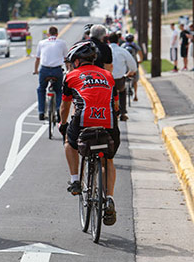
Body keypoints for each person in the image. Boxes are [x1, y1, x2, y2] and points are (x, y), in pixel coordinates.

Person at [59, 41, 120, 226]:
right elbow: (116, 105)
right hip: (108, 124)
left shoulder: (71, 76)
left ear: (77, 61)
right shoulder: (108, 76)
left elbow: (65, 106)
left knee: (70, 143)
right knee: (107, 160)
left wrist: (63, 124)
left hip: (83, 122)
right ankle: (109, 197)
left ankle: (75, 180)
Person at [34, 26, 68, 121]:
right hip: (57, 70)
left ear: (48, 34)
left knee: (41, 89)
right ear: (57, 34)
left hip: (44, 70)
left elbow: (37, 58)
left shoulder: (42, 43)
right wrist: (69, 69)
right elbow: (66, 59)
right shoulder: (62, 43)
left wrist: (36, 70)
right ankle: (58, 109)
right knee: (59, 90)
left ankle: (41, 112)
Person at [109, 33, 137, 121]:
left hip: (108, 80)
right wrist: (129, 73)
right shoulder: (123, 51)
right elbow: (133, 66)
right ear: (118, 41)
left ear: (108, 41)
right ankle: (123, 112)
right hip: (119, 80)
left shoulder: (107, 51)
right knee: (122, 92)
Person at [121, 33, 143, 101]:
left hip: (126, 65)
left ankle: (125, 90)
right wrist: (141, 60)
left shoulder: (123, 45)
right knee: (135, 81)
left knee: (124, 78)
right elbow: (140, 52)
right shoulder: (134, 45)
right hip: (134, 64)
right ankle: (135, 95)